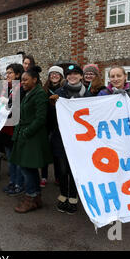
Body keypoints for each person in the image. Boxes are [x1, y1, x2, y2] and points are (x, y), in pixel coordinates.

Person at [50, 64, 92, 214]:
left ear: (81, 76)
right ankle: (63, 195)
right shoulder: (58, 93)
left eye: (76, 74)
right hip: (60, 139)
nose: (72, 76)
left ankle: (73, 197)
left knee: (75, 169)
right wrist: (53, 105)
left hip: (80, 140)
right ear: (66, 77)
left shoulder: (87, 95)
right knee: (61, 170)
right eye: (69, 74)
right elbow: (52, 118)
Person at [11, 66, 52, 213]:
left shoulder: (39, 94)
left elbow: (41, 118)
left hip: (33, 136)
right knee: (28, 168)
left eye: (26, 79)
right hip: (26, 135)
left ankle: (31, 197)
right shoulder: (29, 93)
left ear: (35, 79)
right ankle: (35, 197)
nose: (23, 82)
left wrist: (27, 132)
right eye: (21, 80)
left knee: (27, 168)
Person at [97, 65, 130, 159]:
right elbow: (97, 116)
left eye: (119, 75)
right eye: (112, 76)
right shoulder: (102, 95)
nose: (116, 79)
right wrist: (112, 100)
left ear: (125, 76)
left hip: (127, 142)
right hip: (107, 141)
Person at [1, 63, 26, 195]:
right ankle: (12, 181)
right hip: (6, 129)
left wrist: (6, 102)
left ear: (17, 74)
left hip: (15, 129)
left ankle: (19, 184)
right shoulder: (7, 88)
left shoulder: (21, 88)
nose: (7, 75)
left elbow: (17, 106)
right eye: (6, 73)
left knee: (17, 160)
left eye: (10, 73)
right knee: (10, 159)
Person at [40, 66, 65, 187]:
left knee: (57, 153)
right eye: (52, 74)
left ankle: (58, 177)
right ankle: (44, 176)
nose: (54, 76)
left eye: (57, 74)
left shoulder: (64, 89)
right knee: (45, 152)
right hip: (46, 124)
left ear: (61, 76)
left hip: (59, 125)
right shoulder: (44, 89)